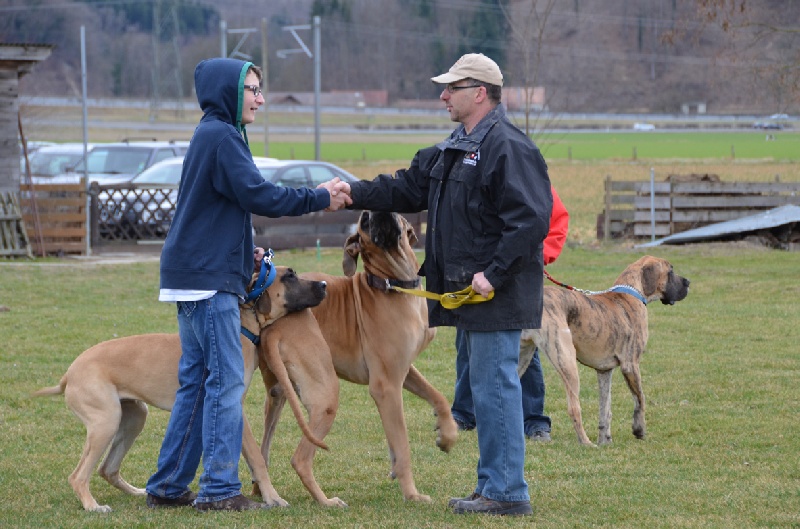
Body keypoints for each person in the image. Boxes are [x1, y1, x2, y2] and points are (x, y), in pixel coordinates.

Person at [330, 53, 552, 516]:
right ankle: (493, 484)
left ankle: (507, 492)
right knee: (485, 389)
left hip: (496, 293)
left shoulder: (508, 148)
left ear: (480, 92)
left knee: (494, 389)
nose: (442, 95)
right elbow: (406, 188)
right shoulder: (456, 149)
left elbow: (530, 220)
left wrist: (493, 274)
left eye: (452, 88)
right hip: (470, 294)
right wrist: (354, 192)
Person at [145, 57, 350, 512]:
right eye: (252, 89)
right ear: (228, 92)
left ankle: (168, 485)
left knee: (197, 384)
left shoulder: (213, 133)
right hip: (208, 283)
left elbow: (222, 209)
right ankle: (220, 490)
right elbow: (260, 195)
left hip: (193, 276)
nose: (260, 98)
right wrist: (320, 195)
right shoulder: (221, 136)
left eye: (260, 89)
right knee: (225, 384)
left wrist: (245, 253)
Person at [451, 187, 569, 441]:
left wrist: (538, 257)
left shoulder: (532, 177)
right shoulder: (471, 176)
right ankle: (463, 413)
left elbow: (556, 220)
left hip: (518, 276)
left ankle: (534, 420)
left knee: (524, 343)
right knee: (467, 341)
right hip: (474, 274)